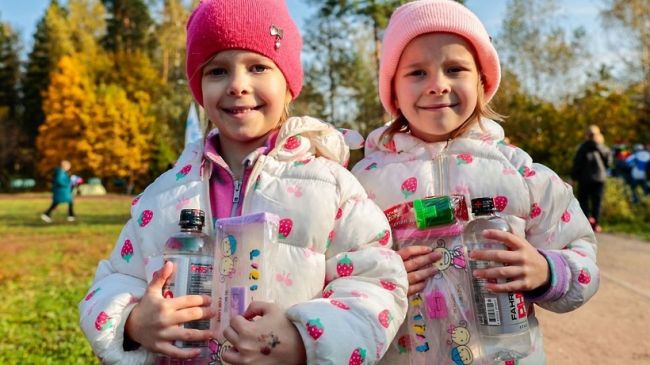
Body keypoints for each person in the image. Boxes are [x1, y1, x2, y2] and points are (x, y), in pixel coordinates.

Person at [78, 1, 408, 364]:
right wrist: (134, 321)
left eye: (258, 67)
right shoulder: (162, 197)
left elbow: (376, 284)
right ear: (199, 88)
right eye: (218, 71)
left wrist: (303, 340)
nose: (237, 85)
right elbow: (111, 282)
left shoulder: (330, 187)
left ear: (289, 85)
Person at [351, 1, 600, 364]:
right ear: (392, 89)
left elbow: (583, 257)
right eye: (417, 73)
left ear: (482, 82)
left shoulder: (521, 175)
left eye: (455, 69)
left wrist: (546, 271)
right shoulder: (364, 183)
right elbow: (338, 270)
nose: (437, 85)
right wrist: (379, 277)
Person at [571, 125, 611, 232]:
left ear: (587, 135)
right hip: (600, 179)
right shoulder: (603, 148)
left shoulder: (583, 148)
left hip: (584, 179)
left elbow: (577, 164)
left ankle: (586, 223)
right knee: (597, 202)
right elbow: (609, 163)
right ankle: (596, 224)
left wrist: (574, 177)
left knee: (583, 201)